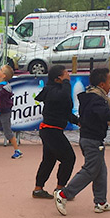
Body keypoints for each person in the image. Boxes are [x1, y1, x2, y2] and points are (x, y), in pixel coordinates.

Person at [54, 68, 110, 215]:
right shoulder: (97, 99)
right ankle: (63, 194)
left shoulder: (90, 97)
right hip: (92, 140)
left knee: (101, 172)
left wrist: (108, 120)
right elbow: (103, 112)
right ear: (102, 84)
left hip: (90, 138)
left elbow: (95, 115)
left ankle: (100, 202)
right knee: (90, 170)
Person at [32, 65, 79, 199]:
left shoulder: (57, 90)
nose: (68, 75)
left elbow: (66, 112)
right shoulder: (52, 90)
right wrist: (66, 82)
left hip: (52, 130)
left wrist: (79, 121)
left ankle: (38, 189)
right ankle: (60, 189)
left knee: (49, 160)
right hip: (50, 130)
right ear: (58, 78)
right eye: (65, 73)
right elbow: (63, 96)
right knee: (69, 158)